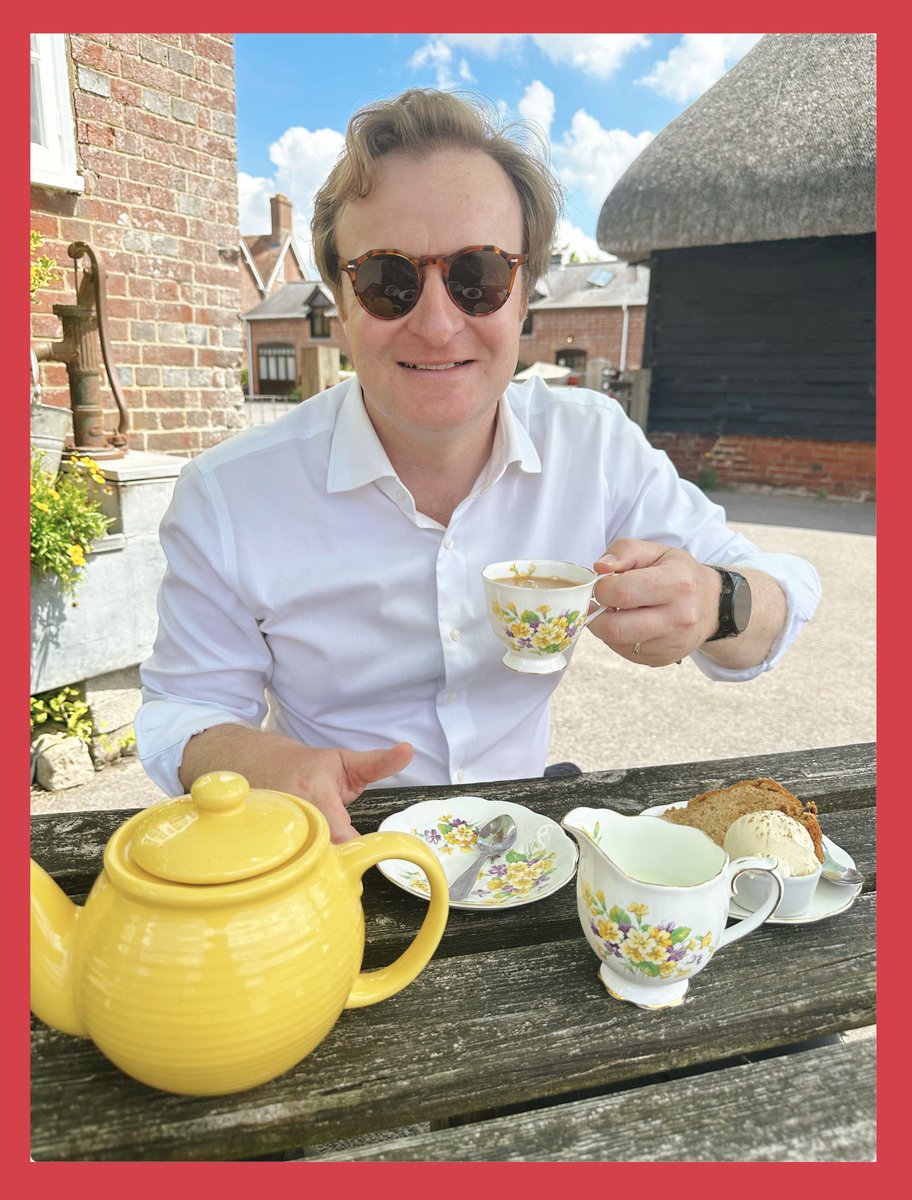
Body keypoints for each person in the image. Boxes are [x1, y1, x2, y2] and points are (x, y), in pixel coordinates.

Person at [135, 88, 820, 842]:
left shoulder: (592, 446)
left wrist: (716, 602)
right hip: (336, 843)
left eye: (479, 276)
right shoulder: (229, 494)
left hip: (522, 842)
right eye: (388, 281)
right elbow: (185, 710)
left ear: (523, 295)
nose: (437, 324)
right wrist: (258, 761)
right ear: (340, 299)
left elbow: (784, 593)